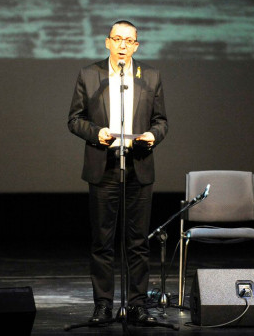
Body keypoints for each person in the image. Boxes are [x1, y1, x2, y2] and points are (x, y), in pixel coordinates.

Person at [68, 20, 168, 326]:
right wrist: (96, 133)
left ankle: (137, 305)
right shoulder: (90, 74)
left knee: (137, 242)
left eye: (129, 41)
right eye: (117, 39)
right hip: (104, 166)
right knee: (102, 241)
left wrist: (153, 136)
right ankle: (103, 305)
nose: (123, 45)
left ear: (136, 46)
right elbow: (74, 119)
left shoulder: (149, 75)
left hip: (138, 165)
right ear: (108, 42)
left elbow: (161, 120)